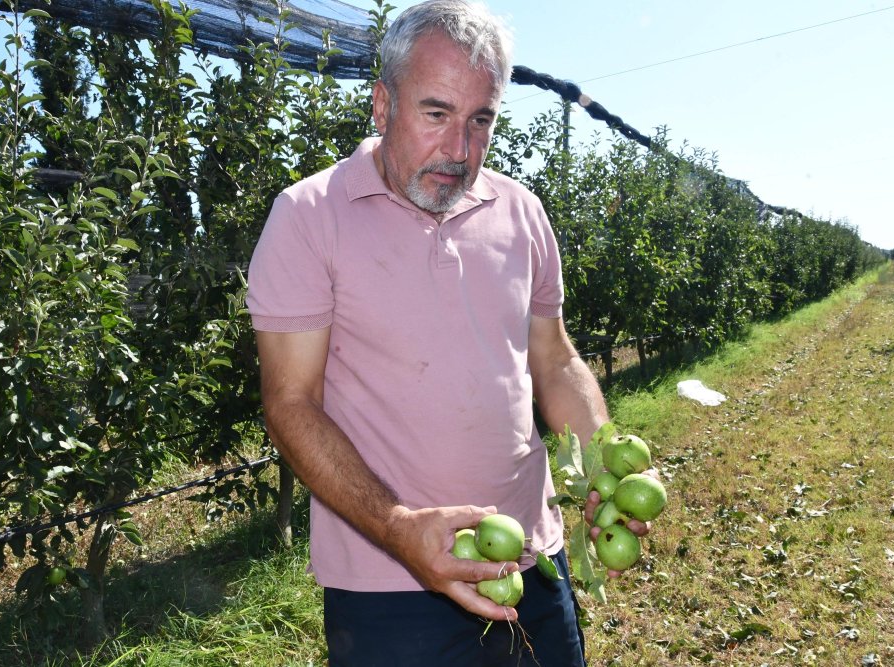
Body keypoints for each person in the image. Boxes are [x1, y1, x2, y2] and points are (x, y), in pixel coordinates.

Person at [247, 1, 647, 664]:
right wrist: (399, 529)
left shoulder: (521, 212)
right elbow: (289, 401)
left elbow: (555, 360)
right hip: (389, 590)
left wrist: (602, 464)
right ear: (382, 104)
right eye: (436, 114)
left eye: (481, 120)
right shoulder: (309, 217)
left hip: (531, 561)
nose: (460, 150)